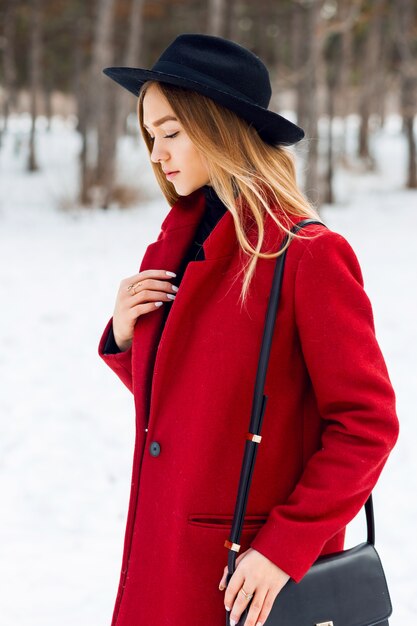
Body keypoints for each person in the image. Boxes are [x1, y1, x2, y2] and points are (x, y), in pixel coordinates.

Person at [97, 33, 399, 626]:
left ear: (219, 128)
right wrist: (127, 339)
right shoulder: (176, 246)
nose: (157, 155)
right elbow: (206, 409)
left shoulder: (307, 255)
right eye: (151, 137)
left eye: (171, 134)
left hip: (245, 579)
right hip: (165, 558)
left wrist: (282, 549)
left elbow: (367, 426)